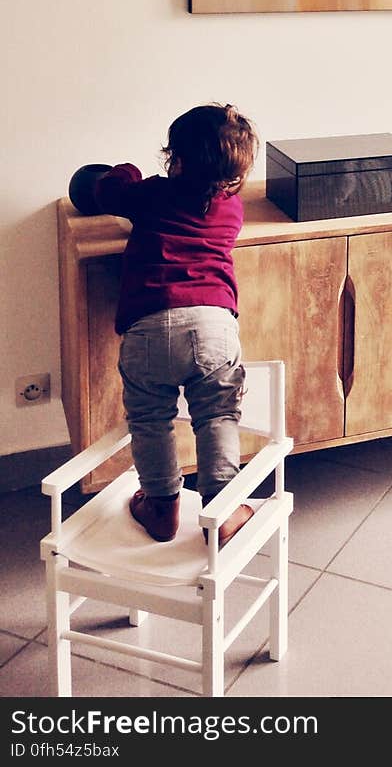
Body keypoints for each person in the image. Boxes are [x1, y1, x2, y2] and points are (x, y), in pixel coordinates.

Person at [92, 103, 259, 545]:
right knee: (218, 414)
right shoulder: (232, 209)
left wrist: (122, 170)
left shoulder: (151, 195)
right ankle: (222, 510)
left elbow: (109, 192)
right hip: (213, 326)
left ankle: (162, 506)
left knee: (151, 419)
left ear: (177, 161)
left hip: (148, 327)